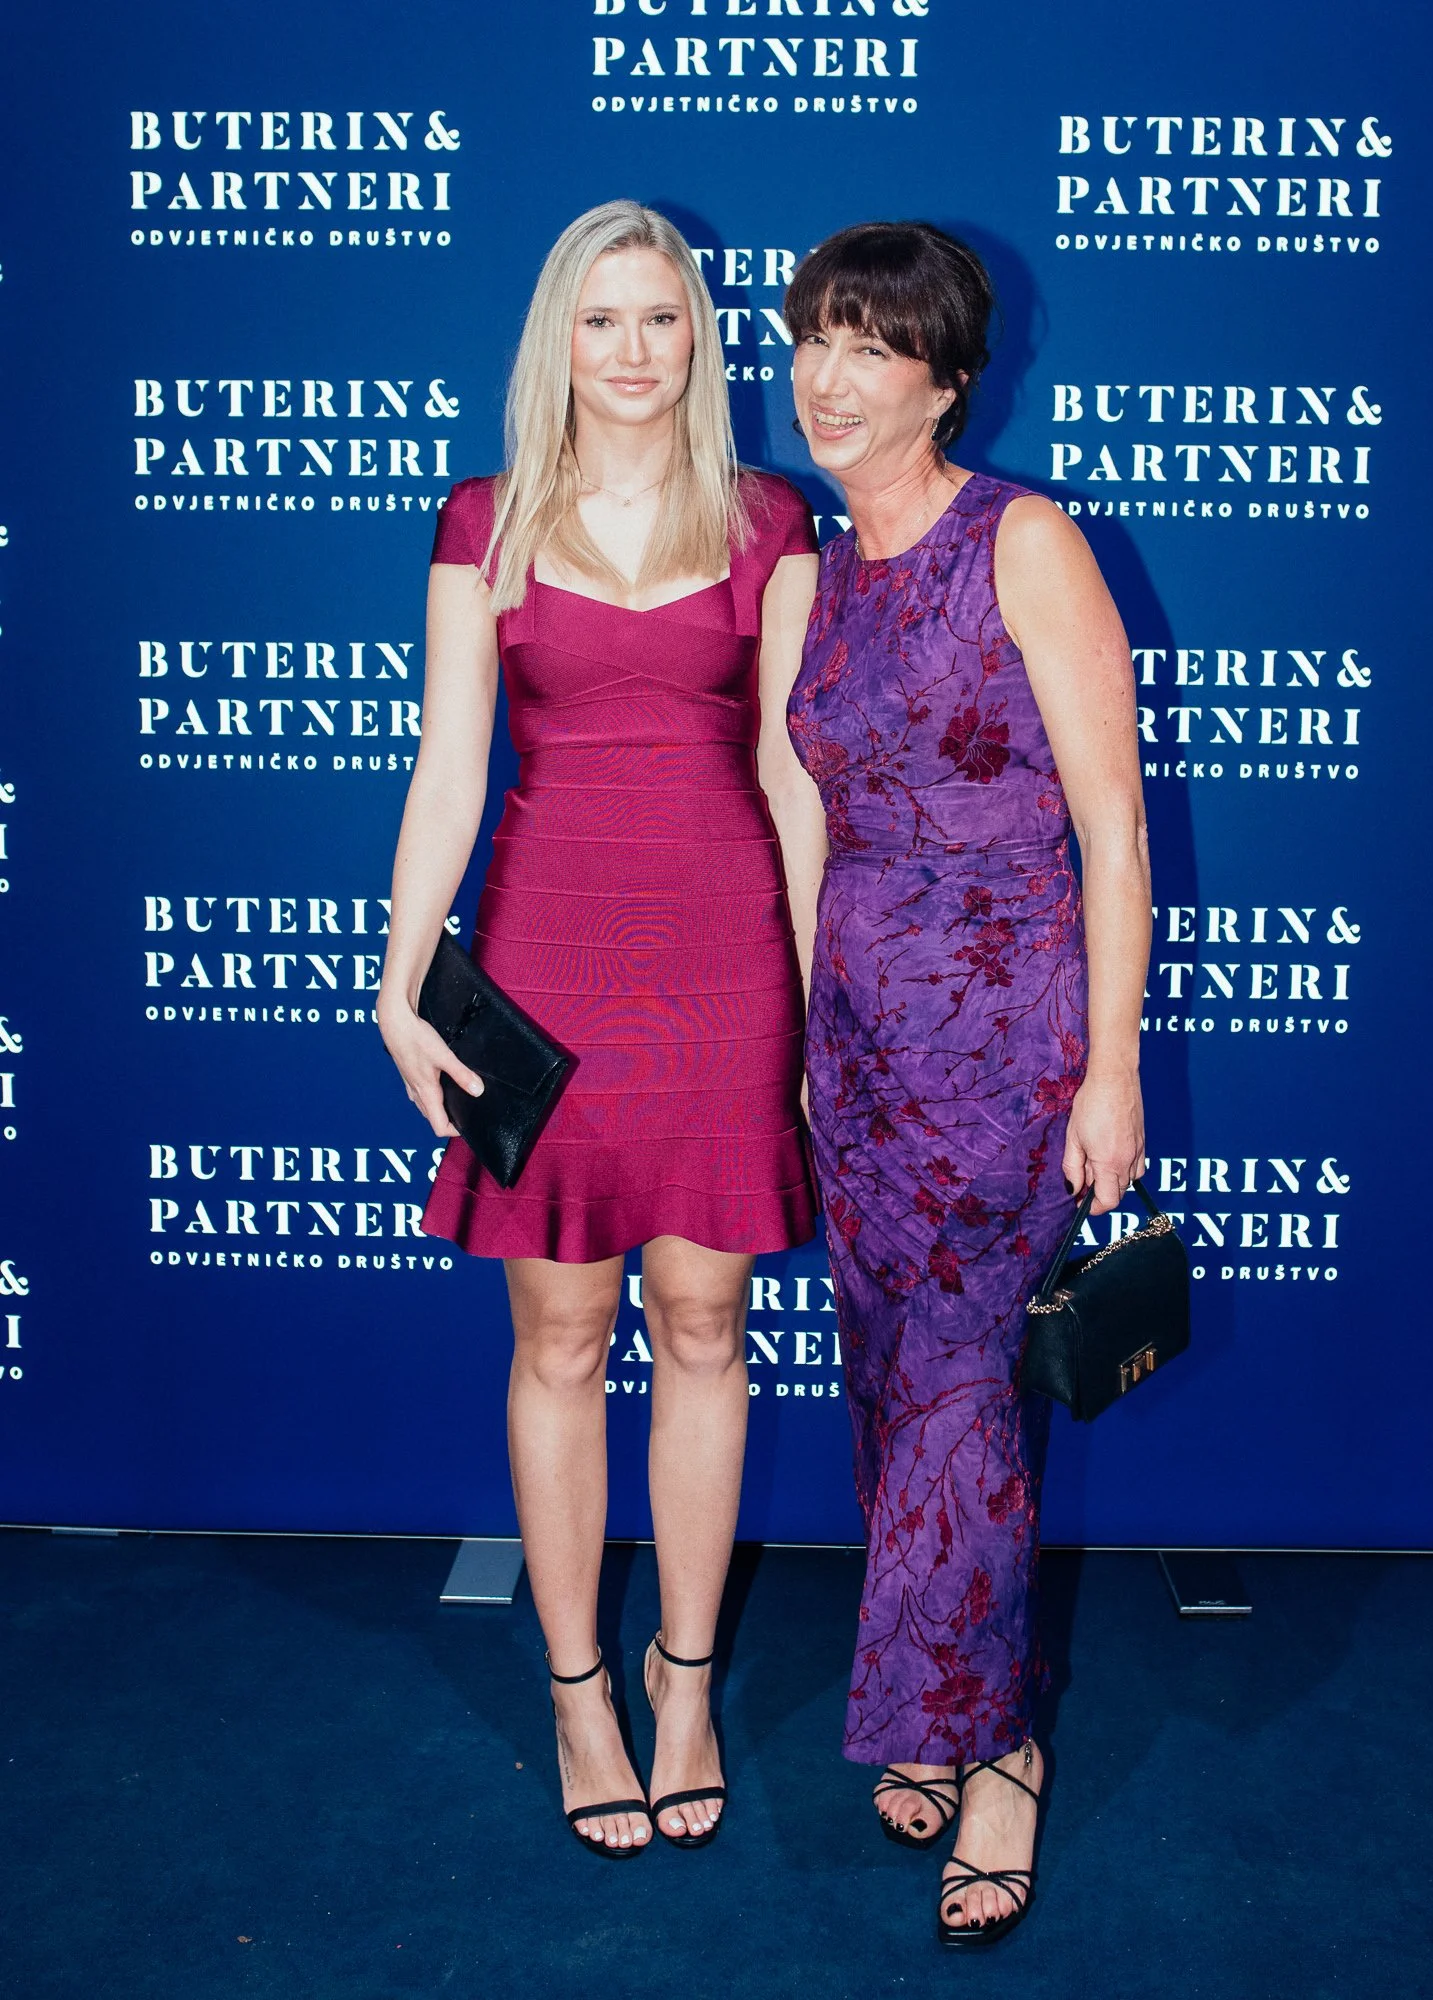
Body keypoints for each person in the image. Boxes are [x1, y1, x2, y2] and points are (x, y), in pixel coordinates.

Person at [377, 200, 820, 1859]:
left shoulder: (769, 520)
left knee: (705, 1327)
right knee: (559, 1339)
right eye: (603, 320)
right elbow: (448, 768)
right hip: (544, 961)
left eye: (664, 320)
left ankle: (685, 1679)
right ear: (554, 337)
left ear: (701, 340)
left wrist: (820, 986)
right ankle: (578, 1694)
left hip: (724, 958)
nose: (635, 352)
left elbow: (790, 774)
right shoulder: (485, 519)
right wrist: (401, 970)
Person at [782, 221, 1151, 1945]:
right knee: (892, 1379)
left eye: (874, 349)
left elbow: (1113, 828)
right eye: (815, 341)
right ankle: (936, 1691)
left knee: (956, 1396)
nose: (832, 379)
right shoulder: (811, 572)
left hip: (1004, 1048)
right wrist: (797, 1035)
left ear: (944, 379)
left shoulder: (1027, 543)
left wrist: (1114, 1071)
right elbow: (808, 828)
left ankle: (994, 1749)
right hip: (855, 1048)